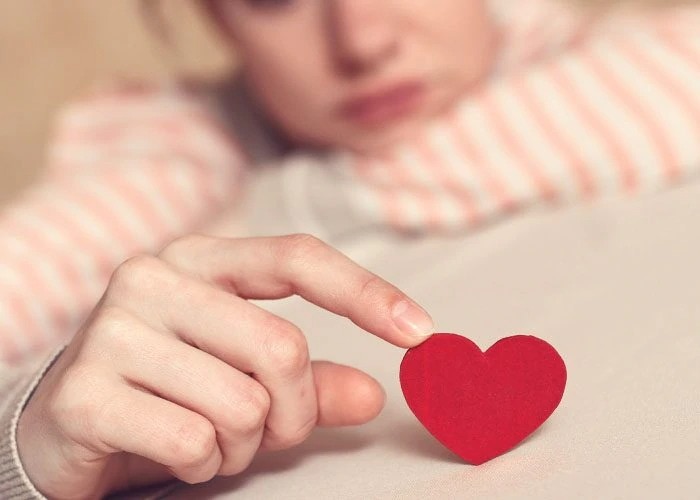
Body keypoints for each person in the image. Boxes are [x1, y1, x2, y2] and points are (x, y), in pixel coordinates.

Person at [2, 0, 700, 497]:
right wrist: (27, 442)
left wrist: (284, 203)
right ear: (215, 16)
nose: (361, 40)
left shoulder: (579, 41)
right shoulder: (168, 143)